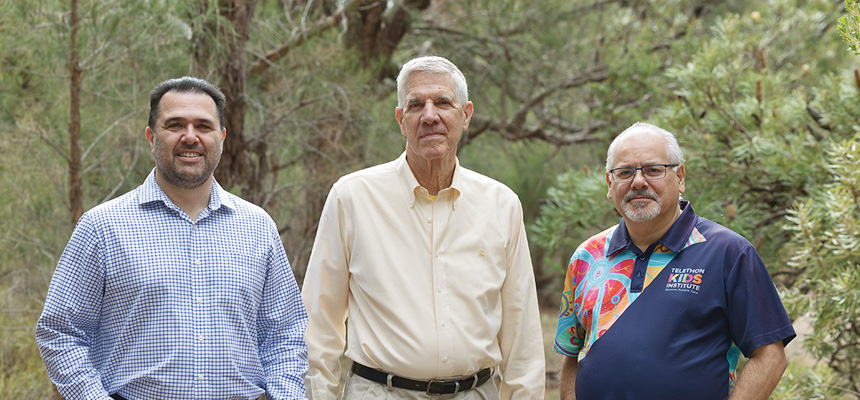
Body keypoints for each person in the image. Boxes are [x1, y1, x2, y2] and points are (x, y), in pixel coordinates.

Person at [35, 77, 309, 399]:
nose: (190, 137)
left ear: (221, 138)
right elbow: (61, 332)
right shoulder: (102, 227)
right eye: (175, 125)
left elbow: (284, 336)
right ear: (151, 137)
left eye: (203, 126)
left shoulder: (257, 227)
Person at [301, 56, 545, 399]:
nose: (429, 116)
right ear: (401, 120)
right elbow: (318, 326)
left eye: (443, 102)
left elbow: (523, 337)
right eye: (416, 105)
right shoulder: (352, 197)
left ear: (466, 115)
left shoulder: (501, 204)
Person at [554, 122, 796, 399]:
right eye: (625, 172)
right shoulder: (586, 256)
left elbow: (770, 357)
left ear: (680, 177)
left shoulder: (728, 252)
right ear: (610, 185)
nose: (638, 182)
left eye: (654, 170)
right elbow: (571, 354)